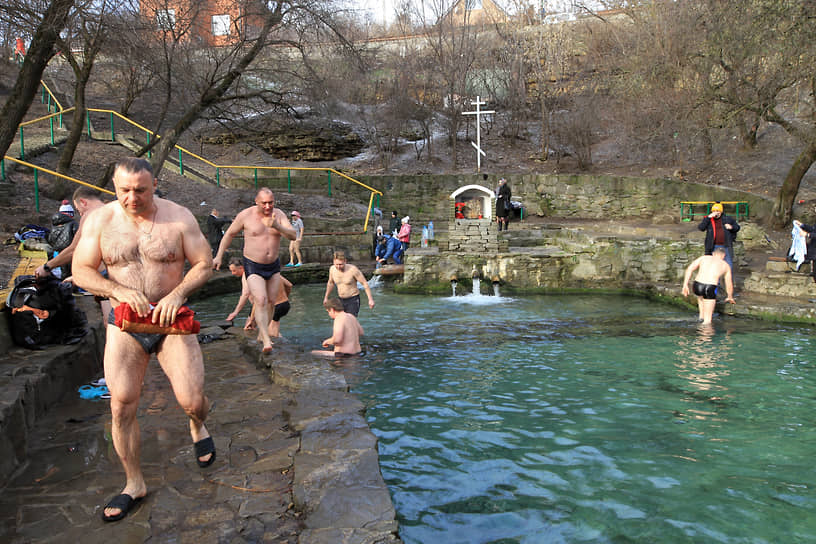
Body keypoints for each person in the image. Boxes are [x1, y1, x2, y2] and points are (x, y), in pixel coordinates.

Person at [71, 157, 215, 523]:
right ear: (114, 187)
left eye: (140, 190)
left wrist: (178, 294)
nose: (132, 197)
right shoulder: (100, 220)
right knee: (121, 405)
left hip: (170, 320)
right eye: (123, 190)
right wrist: (115, 289)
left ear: (154, 185)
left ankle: (198, 424)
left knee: (192, 400)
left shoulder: (179, 217)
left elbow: (204, 262)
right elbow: (81, 271)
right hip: (125, 324)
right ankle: (133, 483)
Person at [213, 187, 296, 352]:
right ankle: (266, 339)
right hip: (253, 264)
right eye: (264, 203)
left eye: (270, 202)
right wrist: (218, 256)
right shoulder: (246, 215)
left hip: (273, 264)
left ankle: (261, 333)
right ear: (256, 202)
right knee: (261, 299)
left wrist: (276, 226)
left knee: (273, 301)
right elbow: (229, 234)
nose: (267, 206)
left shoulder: (278, 215)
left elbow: (293, 235)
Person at [36, 187, 106, 279]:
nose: (80, 214)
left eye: (78, 209)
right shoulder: (117, 210)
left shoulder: (91, 215)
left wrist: (47, 267)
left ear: (83, 202)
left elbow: (74, 250)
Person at [226, 257, 293, 337]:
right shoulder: (272, 272)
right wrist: (285, 297)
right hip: (284, 304)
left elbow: (246, 294)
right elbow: (289, 285)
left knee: (255, 330)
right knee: (268, 328)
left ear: (242, 268)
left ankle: (275, 346)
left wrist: (235, 312)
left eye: (234, 270)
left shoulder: (248, 275)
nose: (233, 273)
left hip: (265, 306)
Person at [681, 248, 736, 324]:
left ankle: (701, 317)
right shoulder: (725, 265)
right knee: (708, 321)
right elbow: (729, 283)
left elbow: (689, 269)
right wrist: (730, 296)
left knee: (701, 297)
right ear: (723, 256)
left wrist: (685, 285)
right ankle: (705, 332)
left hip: (697, 286)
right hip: (710, 287)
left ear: (713, 253)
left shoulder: (704, 258)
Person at [323, 250, 375, 316]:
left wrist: (370, 299)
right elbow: (331, 283)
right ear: (333, 262)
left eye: (340, 264)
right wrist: (326, 297)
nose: (338, 267)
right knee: (341, 320)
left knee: (350, 320)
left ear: (345, 261)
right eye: (336, 264)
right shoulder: (332, 269)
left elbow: (364, 283)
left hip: (353, 299)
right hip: (341, 299)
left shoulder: (353, 270)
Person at [697, 202, 740, 271]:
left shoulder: (728, 219)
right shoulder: (708, 220)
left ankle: (728, 281)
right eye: (714, 211)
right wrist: (708, 217)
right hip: (714, 246)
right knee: (715, 267)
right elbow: (701, 228)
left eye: (718, 211)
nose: (716, 213)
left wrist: (731, 227)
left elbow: (737, 227)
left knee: (728, 266)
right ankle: (717, 282)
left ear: (721, 212)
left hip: (726, 245)